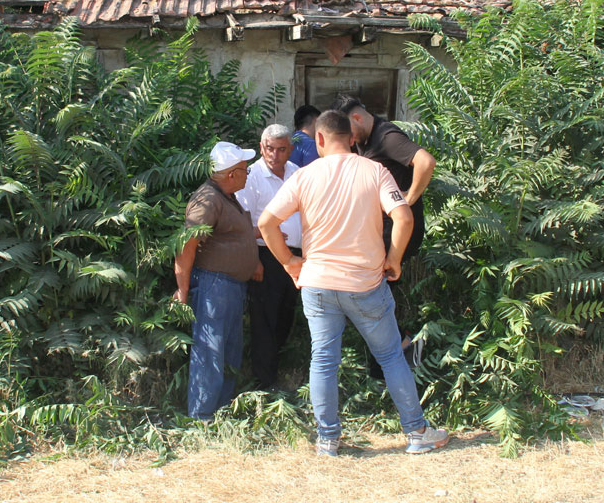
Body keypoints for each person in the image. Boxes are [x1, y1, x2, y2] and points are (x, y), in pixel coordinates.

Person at [258, 111, 450, 456]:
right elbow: (403, 216)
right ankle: (417, 433)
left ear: (318, 140)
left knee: (323, 360)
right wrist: (393, 259)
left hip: (317, 283)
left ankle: (327, 440)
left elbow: (266, 222)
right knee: (391, 355)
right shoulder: (375, 170)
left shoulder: (304, 177)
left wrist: (290, 262)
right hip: (365, 282)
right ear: (351, 137)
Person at [331, 93, 436, 376]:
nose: (347, 140)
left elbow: (426, 161)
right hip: (381, 233)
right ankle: (393, 359)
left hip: (398, 233)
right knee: (375, 296)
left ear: (356, 118)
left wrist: (409, 199)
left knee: (374, 295)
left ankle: (396, 358)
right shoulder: (363, 141)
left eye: (347, 132)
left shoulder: (386, 136)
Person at [174, 141, 264, 420]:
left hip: (229, 287)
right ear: (230, 175)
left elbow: (230, 233)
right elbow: (187, 244)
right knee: (211, 350)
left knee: (228, 350)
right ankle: (201, 415)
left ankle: (219, 410)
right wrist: (183, 289)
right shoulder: (209, 199)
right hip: (215, 286)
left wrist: (258, 236)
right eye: (244, 169)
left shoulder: (225, 197)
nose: (248, 174)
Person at [235, 124, 302, 390]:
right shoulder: (251, 176)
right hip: (264, 255)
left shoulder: (297, 173)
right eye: (269, 148)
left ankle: (277, 368)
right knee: (264, 318)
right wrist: (254, 261)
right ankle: (264, 381)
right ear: (261, 147)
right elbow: (241, 222)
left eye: (281, 149)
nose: (274, 154)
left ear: (290, 149)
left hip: (295, 255)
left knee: (287, 313)